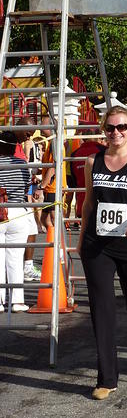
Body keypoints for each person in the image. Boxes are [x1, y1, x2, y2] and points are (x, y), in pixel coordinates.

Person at [77, 106, 127, 400]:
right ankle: (107, 378)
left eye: (121, 127)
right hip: (98, 245)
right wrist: (82, 236)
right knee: (102, 309)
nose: (116, 133)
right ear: (104, 130)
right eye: (110, 128)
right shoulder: (93, 161)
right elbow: (89, 202)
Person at [0, 131, 32, 312]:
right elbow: (26, 187)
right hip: (19, 212)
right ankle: (17, 300)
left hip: (1, 212)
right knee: (15, 258)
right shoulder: (21, 164)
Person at [15, 116, 41, 282]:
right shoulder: (8, 142)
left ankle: (27, 267)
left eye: (31, 134)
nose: (29, 136)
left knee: (32, 229)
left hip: (22, 194)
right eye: (28, 133)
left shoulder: (22, 145)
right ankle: (23, 268)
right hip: (11, 196)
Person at [33, 116, 67, 229]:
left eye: (43, 125)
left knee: (54, 218)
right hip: (50, 187)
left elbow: (53, 168)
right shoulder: (52, 143)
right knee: (45, 219)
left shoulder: (55, 144)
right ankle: (54, 244)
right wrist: (38, 171)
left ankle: (59, 244)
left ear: (51, 127)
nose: (40, 128)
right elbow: (49, 167)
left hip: (54, 187)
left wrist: (41, 186)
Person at [71, 131, 104, 223]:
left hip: (82, 201)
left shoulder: (75, 154)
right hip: (102, 201)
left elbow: (72, 179)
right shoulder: (104, 150)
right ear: (98, 136)